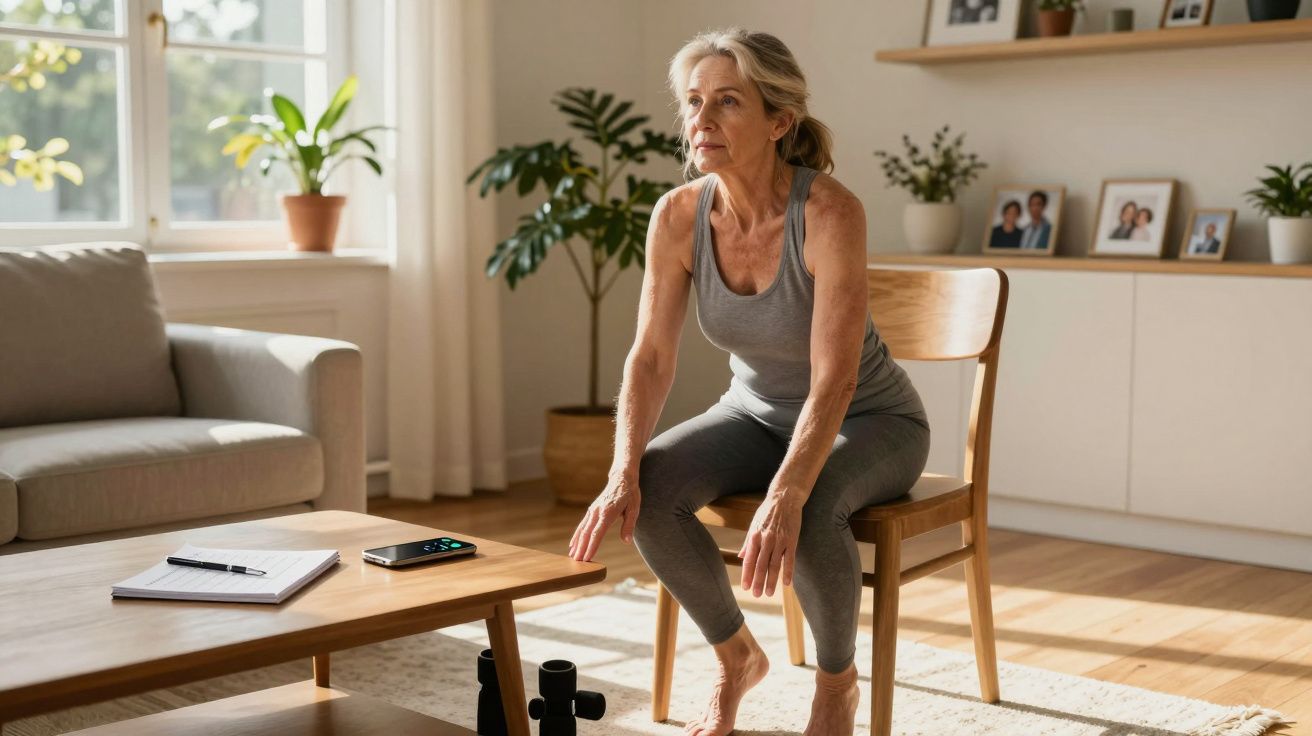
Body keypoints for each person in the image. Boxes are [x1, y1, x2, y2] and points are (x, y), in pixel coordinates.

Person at [567, 27, 929, 736]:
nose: (701, 122)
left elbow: (837, 376)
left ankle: (835, 689)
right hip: (756, 413)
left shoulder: (829, 213)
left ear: (778, 120)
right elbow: (650, 358)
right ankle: (737, 658)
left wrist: (786, 491)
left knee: (815, 499)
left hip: (874, 421)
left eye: (727, 102)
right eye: (694, 102)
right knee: (653, 487)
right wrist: (620, 472)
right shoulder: (678, 216)